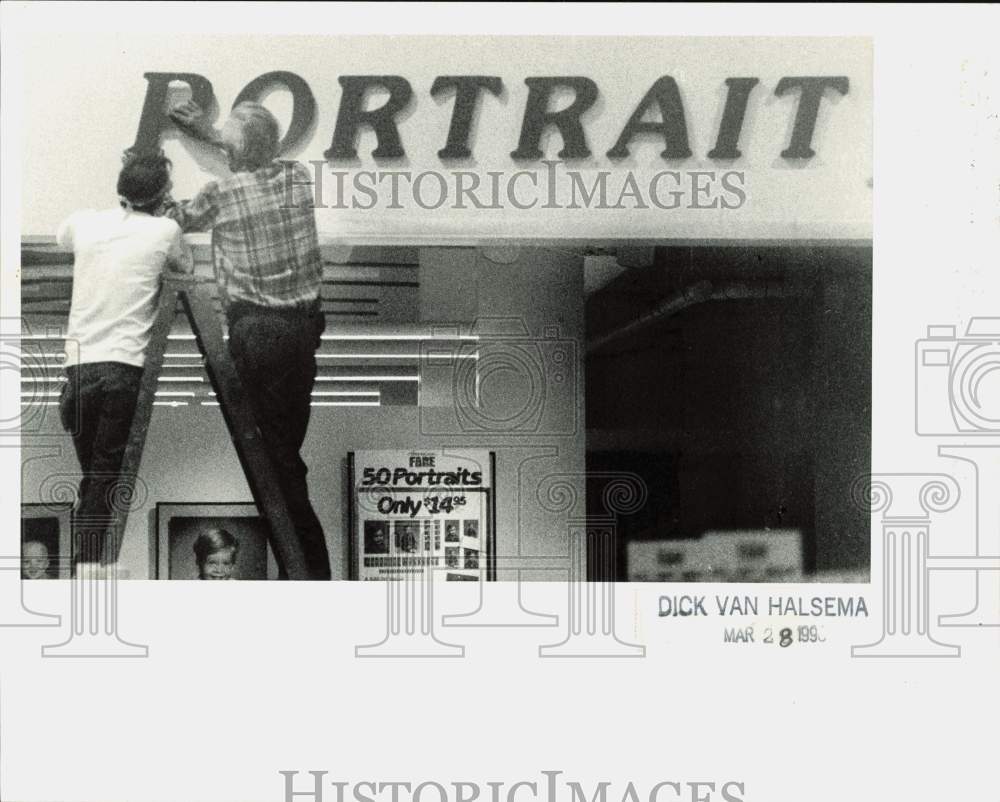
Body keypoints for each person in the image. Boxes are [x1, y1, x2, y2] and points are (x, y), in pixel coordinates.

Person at [165, 100, 330, 580]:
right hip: (303, 335)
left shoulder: (222, 193)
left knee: (274, 463)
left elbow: (175, 215)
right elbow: (257, 152)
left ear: (235, 152)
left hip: (257, 332)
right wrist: (218, 134)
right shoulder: (296, 178)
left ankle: (309, 575)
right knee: (284, 458)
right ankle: (306, 570)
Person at [57, 153, 192, 569]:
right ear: (163, 196)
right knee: (105, 475)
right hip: (122, 369)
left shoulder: (83, 223)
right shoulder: (166, 229)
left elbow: (63, 238)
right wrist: (172, 222)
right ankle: (90, 565)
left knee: (93, 478)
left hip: (77, 372)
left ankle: (87, 561)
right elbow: (185, 266)